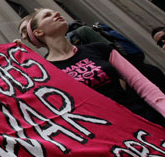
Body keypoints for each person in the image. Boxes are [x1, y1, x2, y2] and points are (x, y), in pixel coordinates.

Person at [21, 8, 165, 127]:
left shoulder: (99, 49)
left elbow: (142, 84)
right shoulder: (47, 71)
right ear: (38, 32)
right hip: (110, 133)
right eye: (48, 15)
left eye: (54, 12)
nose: (56, 14)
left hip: (141, 118)